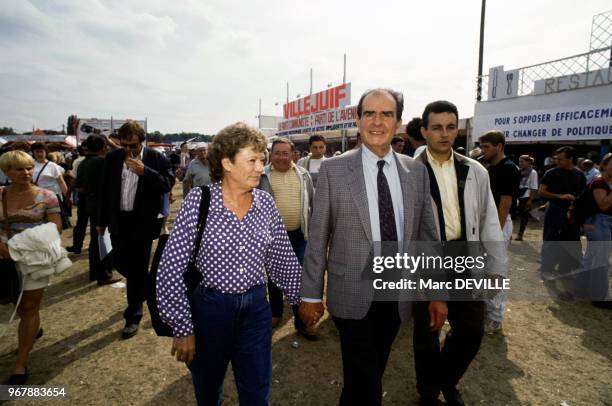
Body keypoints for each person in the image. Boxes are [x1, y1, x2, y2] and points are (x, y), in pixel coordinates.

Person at [299, 88, 439, 405]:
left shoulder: (416, 172)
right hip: (350, 292)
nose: (377, 122)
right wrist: (310, 294)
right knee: (367, 380)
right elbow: (318, 235)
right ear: (358, 120)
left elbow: (427, 236)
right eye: (369, 114)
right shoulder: (334, 170)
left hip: (397, 294)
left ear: (399, 122)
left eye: (386, 114)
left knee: (367, 373)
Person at [157, 122, 302, 405]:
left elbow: (282, 257)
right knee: (209, 390)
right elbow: (170, 268)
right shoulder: (199, 202)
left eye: (262, 159)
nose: (260, 166)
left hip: (256, 311)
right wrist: (183, 328)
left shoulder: (265, 204)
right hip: (210, 310)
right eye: (252, 160)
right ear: (226, 163)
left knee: (257, 392)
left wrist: (303, 298)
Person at [414, 101, 506, 405]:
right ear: (425, 130)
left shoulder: (475, 170)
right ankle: (428, 392)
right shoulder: (409, 171)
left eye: (450, 127)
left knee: (470, 333)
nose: (444, 134)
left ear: (458, 130)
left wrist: (495, 269)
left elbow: (489, 221)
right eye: (437, 127)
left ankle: (446, 380)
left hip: (465, 257)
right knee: (428, 333)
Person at [97, 120, 174, 339]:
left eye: (133, 145)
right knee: (118, 262)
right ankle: (149, 285)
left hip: (143, 222)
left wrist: (145, 172)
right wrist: (101, 222)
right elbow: (105, 191)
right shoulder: (112, 159)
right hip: (118, 220)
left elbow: (167, 184)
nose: (129, 150)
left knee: (138, 267)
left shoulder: (155, 158)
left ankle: (133, 315)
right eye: (125, 145)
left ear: (142, 141)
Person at [0, 151, 63, 384]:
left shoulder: (47, 196)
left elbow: (56, 226)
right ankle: (32, 329)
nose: (26, 173)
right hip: (4, 258)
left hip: (35, 257)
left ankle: (20, 363)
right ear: (6, 171)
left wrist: (27, 245)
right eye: (19, 169)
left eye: (29, 168)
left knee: (29, 306)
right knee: (12, 300)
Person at [264, 138, 315, 337]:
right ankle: (275, 313)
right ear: (271, 154)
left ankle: (301, 320)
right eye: (277, 153)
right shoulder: (262, 175)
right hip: (272, 237)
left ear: (293, 154)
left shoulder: (303, 174)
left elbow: (312, 201)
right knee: (274, 275)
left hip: (299, 235)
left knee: (299, 277)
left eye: (286, 153)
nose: (281, 157)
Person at [478, 130, 520, 333]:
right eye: (482, 146)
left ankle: (495, 317)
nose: (482, 150)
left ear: (499, 146)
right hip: (485, 224)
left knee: (496, 271)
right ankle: (485, 312)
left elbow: (505, 203)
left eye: (486, 146)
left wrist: (496, 233)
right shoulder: (489, 168)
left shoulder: (509, 169)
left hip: (498, 225)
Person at [539, 146, 586, 292]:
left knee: (571, 240)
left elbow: (583, 194)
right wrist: (560, 196)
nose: (557, 161)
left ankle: (565, 269)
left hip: (572, 212)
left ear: (570, 159)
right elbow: (542, 191)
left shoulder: (580, 175)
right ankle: (547, 268)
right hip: (555, 210)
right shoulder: (551, 173)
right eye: (556, 158)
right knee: (550, 239)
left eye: (560, 159)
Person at [75, 135, 121, 285]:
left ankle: (96, 271)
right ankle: (104, 274)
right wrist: (113, 144)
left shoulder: (83, 163)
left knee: (96, 240)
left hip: (90, 202)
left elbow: (79, 185)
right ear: (104, 147)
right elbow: (124, 154)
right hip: (104, 205)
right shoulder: (103, 161)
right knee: (103, 239)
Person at [575, 153, 612, 309]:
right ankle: (599, 297)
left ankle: (581, 290)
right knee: (600, 260)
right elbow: (603, 205)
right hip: (599, 222)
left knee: (592, 258)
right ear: (604, 165)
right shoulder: (599, 182)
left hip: (604, 223)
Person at [515, 155, 539, 241]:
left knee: (524, 216)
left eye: (522, 161)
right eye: (519, 161)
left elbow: (534, 187)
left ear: (528, 162)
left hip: (526, 196)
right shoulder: (518, 170)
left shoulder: (533, 172)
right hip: (517, 194)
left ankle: (520, 234)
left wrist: (530, 200)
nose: (520, 163)